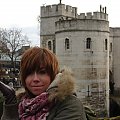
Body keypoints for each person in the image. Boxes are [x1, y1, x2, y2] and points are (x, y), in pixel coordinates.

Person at [0, 47, 87, 120]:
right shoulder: (21, 104)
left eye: (42, 72)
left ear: (53, 75)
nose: (35, 79)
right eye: (29, 73)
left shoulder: (70, 105)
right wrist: (10, 103)